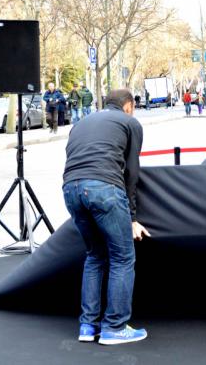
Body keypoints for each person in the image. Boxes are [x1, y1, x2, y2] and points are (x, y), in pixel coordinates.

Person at [62, 89, 149, 345]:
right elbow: (132, 171)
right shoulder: (130, 122)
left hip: (71, 189)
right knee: (122, 257)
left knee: (94, 256)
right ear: (129, 106)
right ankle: (114, 327)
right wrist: (132, 216)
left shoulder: (81, 123)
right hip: (104, 189)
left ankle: (87, 326)